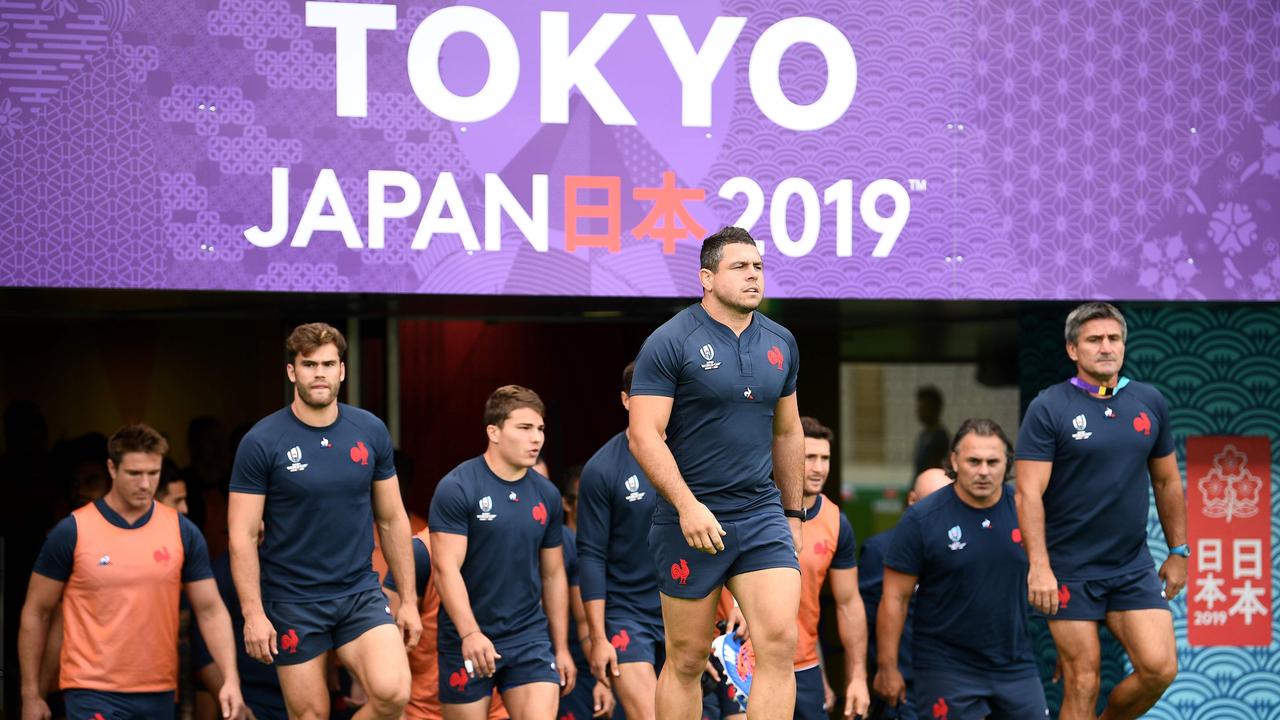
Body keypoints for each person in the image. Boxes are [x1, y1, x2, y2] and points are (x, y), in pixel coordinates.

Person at [628, 225, 805, 720]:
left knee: (778, 643)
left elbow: (789, 433)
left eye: (758, 267)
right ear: (707, 278)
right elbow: (643, 434)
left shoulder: (781, 342)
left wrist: (792, 513)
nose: (753, 276)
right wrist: (687, 506)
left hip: (760, 512)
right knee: (687, 658)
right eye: (739, 267)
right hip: (691, 519)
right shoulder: (669, 341)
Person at [228, 322, 420, 719]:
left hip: (358, 592)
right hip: (292, 600)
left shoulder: (369, 430)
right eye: (310, 364)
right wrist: (253, 614)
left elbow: (392, 519)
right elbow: (242, 535)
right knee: (310, 715)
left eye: (328, 364)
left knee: (394, 693)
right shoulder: (262, 441)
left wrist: (410, 601)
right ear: (292, 372)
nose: (320, 373)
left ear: (342, 371)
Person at [1015, 302, 1185, 720]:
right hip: (1069, 568)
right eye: (1094, 340)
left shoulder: (1150, 401)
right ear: (1073, 349)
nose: (1106, 348)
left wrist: (1180, 551)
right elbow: (1027, 493)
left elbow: (1166, 481)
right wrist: (1039, 566)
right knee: (1084, 680)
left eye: (1113, 339)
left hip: (1131, 567)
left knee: (1159, 669)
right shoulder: (1049, 406)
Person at [18, 423, 245, 720]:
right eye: (135, 473)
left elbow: (210, 610)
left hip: (159, 690)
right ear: (112, 469)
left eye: (153, 473)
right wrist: (30, 693)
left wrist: (231, 679)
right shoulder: (72, 531)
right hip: (91, 690)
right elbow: (37, 611)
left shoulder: (182, 531)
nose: (145, 484)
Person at [875, 419, 1047, 720]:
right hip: (946, 666)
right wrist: (888, 668)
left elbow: (1052, 578)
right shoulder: (921, 519)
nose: (983, 471)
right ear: (955, 460)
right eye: (973, 461)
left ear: (1007, 463)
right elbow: (894, 599)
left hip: (1014, 663)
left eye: (993, 462)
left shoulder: (1026, 510)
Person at [429, 385, 576, 720]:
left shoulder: (547, 495)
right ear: (493, 432)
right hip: (467, 634)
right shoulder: (457, 487)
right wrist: (470, 632)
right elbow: (445, 569)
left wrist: (562, 647)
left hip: (529, 636)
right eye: (524, 428)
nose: (536, 438)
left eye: (540, 429)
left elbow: (553, 574)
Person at [578, 361, 663, 720]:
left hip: (683, 608)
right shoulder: (602, 468)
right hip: (627, 614)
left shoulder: (693, 457)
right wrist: (598, 637)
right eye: (645, 395)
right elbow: (591, 555)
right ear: (626, 400)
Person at [858, 469, 951, 720]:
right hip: (903, 689)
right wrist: (875, 674)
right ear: (912, 500)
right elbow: (863, 624)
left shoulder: (961, 548)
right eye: (933, 500)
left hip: (954, 683)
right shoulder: (881, 550)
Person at [794, 417, 869, 720]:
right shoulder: (754, 510)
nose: (819, 468)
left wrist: (858, 677)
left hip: (805, 664)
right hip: (745, 661)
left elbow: (849, 603)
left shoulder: (836, 521)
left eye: (824, 458)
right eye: (809, 457)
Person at [193, 550, 287, 720]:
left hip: (302, 694)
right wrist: (236, 708)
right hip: (252, 700)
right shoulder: (223, 570)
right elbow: (204, 652)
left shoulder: (299, 563)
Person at [912, 387, 948, 476]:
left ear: (935, 409)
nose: (919, 411)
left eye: (924, 407)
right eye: (919, 407)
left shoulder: (939, 436)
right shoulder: (923, 435)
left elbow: (935, 471)